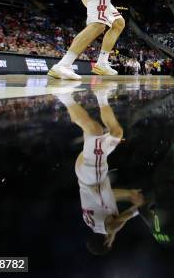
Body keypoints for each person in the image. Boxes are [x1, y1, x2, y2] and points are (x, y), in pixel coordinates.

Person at [55, 83, 144, 255]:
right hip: (86, 174)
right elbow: (108, 195)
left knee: (94, 131)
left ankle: (64, 96)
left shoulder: (103, 228)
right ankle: (101, 95)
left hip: (92, 174)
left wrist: (137, 211)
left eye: (110, 242)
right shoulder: (93, 222)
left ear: (107, 242)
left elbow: (114, 225)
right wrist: (128, 193)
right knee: (116, 134)